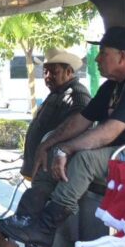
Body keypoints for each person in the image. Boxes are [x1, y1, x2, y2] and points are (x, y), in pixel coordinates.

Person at [0, 27, 125, 247]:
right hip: (121, 153)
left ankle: (44, 228)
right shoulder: (112, 86)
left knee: (85, 158)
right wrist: (48, 145)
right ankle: (27, 218)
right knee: (54, 148)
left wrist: (67, 148)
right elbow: (81, 120)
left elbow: (109, 131)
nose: (97, 59)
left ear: (121, 56)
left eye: (103, 53)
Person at [8, 48, 92, 221]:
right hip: (42, 167)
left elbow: (81, 120)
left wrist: (48, 145)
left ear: (69, 71)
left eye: (54, 72)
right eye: (45, 72)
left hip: (52, 169)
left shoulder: (76, 93)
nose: (48, 76)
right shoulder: (57, 93)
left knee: (38, 212)